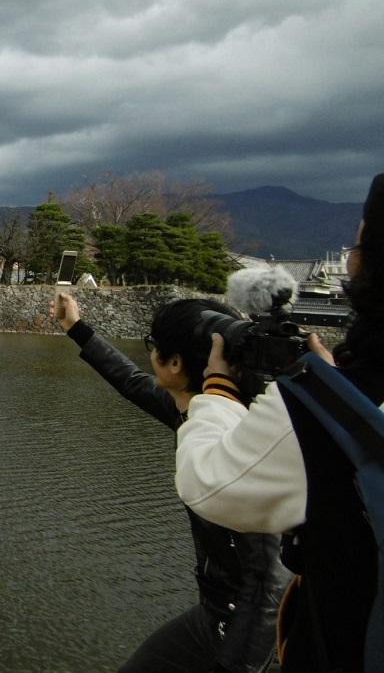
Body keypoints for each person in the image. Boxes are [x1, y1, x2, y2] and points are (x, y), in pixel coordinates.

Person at [176, 173, 384, 671]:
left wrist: (218, 389)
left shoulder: (328, 408)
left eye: (359, 242)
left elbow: (209, 485)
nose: (350, 258)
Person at [51, 291, 289, 672]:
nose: (150, 356)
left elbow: (271, 580)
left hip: (248, 625)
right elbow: (130, 381)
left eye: (153, 346)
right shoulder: (195, 413)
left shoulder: (239, 443)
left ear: (174, 363)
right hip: (215, 611)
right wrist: (76, 328)